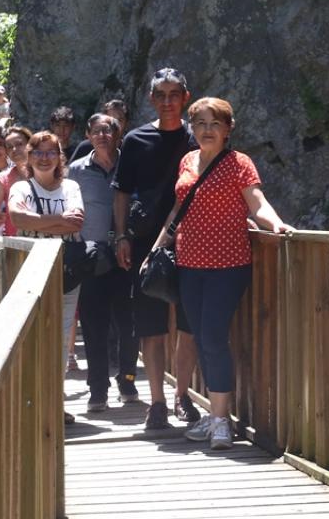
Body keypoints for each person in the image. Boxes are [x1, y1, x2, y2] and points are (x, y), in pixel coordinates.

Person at [145, 97, 292, 449]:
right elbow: (178, 210)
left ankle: (222, 421)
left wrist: (276, 224)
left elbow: (257, 203)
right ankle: (215, 417)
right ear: (192, 128)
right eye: (200, 123)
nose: (207, 130)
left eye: (215, 123)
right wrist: (156, 247)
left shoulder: (239, 163)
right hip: (188, 265)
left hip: (228, 266)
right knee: (200, 338)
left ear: (228, 129)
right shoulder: (187, 161)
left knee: (212, 338)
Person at [112, 68, 200, 430]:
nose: (167, 101)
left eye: (173, 94)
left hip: (193, 241)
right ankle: (157, 402)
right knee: (151, 325)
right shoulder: (136, 140)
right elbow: (121, 191)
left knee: (188, 324)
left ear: (185, 97)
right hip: (146, 242)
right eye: (160, 95)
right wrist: (121, 236)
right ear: (151, 99)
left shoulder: (198, 138)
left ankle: (182, 396)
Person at [7, 131, 84, 425]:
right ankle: (32, 403)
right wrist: (59, 221)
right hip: (30, 272)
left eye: (51, 152)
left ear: (59, 157)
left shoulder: (71, 187)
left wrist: (39, 222)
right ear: (29, 156)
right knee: (33, 336)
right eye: (38, 152)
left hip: (66, 271)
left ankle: (53, 404)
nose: (44, 158)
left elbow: (76, 223)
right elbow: (17, 218)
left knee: (61, 338)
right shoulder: (20, 187)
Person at [67, 113, 140, 412]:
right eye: (96, 131)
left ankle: (127, 379)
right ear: (88, 135)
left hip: (128, 255)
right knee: (94, 325)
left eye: (108, 130)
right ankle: (98, 388)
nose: (102, 136)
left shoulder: (132, 164)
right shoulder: (76, 170)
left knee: (129, 324)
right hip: (92, 257)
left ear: (117, 134)